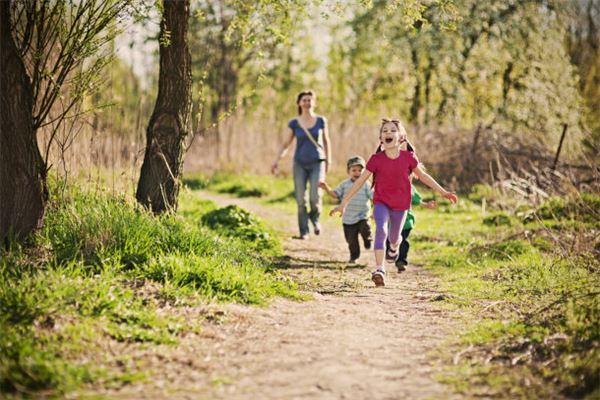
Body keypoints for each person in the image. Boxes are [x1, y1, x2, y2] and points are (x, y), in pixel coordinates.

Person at [330, 118, 458, 287]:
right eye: (384, 131)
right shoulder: (376, 159)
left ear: (402, 137)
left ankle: (394, 248)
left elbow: (424, 177)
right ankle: (379, 269)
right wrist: (343, 203)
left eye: (392, 130)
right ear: (380, 138)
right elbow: (360, 181)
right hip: (381, 202)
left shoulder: (409, 158)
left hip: (401, 205)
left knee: (394, 237)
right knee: (381, 230)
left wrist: (443, 192)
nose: (388, 133)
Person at [272, 90, 331, 239]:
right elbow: (286, 143)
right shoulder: (294, 123)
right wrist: (277, 160)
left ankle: (315, 219)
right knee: (300, 199)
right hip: (299, 163)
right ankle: (303, 231)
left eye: (309, 100)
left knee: (315, 196)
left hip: (318, 162)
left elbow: (326, 141)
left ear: (314, 102)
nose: (307, 102)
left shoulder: (321, 120)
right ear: (299, 103)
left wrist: (329, 160)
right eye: (304, 100)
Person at [319, 156, 373, 263]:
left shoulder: (366, 184)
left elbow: (373, 197)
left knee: (365, 228)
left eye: (360, 170)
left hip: (363, 215)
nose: (357, 172)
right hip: (348, 219)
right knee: (351, 241)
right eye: (354, 170)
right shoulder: (344, 184)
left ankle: (368, 239)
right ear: (348, 171)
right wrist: (326, 188)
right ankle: (354, 256)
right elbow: (335, 195)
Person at [386, 181, 437, 272]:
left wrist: (426, 205)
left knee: (403, 240)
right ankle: (390, 253)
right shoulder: (388, 184)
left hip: (406, 220)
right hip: (391, 220)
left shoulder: (410, 187)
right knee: (389, 239)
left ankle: (401, 261)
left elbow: (417, 201)